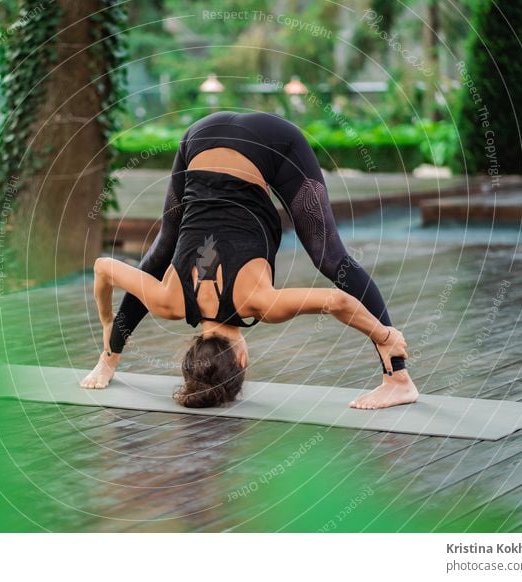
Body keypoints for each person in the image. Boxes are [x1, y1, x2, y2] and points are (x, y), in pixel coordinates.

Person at [81, 111, 418, 410]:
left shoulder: (259, 303)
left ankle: (399, 380)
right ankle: (108, 361)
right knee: (156, 258)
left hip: (275, 142)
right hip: (199, 137)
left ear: (242, 359)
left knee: (331, 259)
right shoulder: (167, 301)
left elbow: (336, 301)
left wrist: (385, 336)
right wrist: (110, 325)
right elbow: (103, 267)